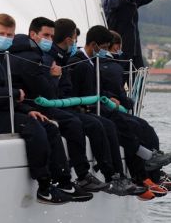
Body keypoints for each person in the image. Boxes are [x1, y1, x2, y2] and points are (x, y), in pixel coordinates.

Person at [0, 13, 90, 204]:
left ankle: (64, 182)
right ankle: (44, 186)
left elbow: (3, 95)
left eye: (9, 35)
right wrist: (13, 93)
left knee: (48, 125)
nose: (6, 38)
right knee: (33, 127)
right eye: (1, 34)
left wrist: (27, 109)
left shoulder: (0, 57)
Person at [63, 25, 171, 200]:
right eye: (103, 47)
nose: (105, 51)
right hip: (86, 108)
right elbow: (77, 92)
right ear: (94, 45)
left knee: (141, 125)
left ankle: (151, 167)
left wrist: (109, 97)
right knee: (113, 126)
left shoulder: (92, 62)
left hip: (98, 104)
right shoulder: (78, 63)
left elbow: (97, 88)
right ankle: (125, 173)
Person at [8, 16, 115, 194]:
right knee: (76, 123)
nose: (49, 40)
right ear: (33, 35)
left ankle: (98, 176)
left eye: (51, 36)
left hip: (42, 105)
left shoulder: (42, 56)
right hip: (35, 107)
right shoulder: (38, 58)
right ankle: (81, 176)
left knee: (96, 123)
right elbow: (47, 93)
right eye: (46, 35)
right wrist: (55, 77)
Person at [103, 0, 164, 69]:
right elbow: (110, 5)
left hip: (133, 48)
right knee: (122, 74)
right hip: (120, 49)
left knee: (139, 73)